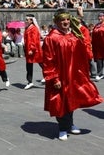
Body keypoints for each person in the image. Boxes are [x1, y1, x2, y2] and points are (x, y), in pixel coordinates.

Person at [42, 8, 103, 141]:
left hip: (74, 74)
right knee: (61, 102)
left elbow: (85, 48)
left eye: (67, 19)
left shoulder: (74, 35)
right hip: (60, 75)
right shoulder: (51, 38)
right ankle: (63, 128)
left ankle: (69, 124)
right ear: (57, 21)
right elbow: (48, 60)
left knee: (72, 100)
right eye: (62, 20)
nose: (66, 22)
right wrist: (54, 78)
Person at [23, 14, 44, 90]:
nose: (26, 21)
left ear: (31, 20)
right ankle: (29, 81)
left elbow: (34, 39)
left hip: (34, 50)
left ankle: (47, 76)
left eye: (27, 19)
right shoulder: (27, 28)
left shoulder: (34, 29)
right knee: (29, 66)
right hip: (29, 49)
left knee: (41, 63)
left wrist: (32, 49)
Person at [92, 12, 104, 81]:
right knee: (99, 61)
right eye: (99, 16)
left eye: (101, 16)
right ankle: (99, 74)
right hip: (98, 47)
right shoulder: (97, 25)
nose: (100, 18)